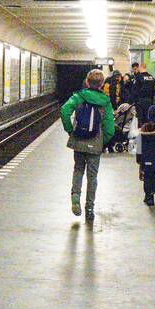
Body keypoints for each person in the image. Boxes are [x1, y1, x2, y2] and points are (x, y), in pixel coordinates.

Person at [60, 69, 115, 225]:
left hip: (78, 141)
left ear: (87, 81)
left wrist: (70, 130)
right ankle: (89, 208)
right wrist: (103, 142)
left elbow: (64, 111)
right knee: (92, 176)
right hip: (95, 142)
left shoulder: (79, 97)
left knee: (78, 169)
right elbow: (110, 128)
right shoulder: (105, 102)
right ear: (102, 84)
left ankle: (75, 196)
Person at [137, 104, 155, 206]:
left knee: (147, 177)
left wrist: (139, 158)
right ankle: (151, 192)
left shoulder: (143, 129)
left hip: (145, 158)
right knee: (154, 177)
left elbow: (139, 145)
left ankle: (148, 195)